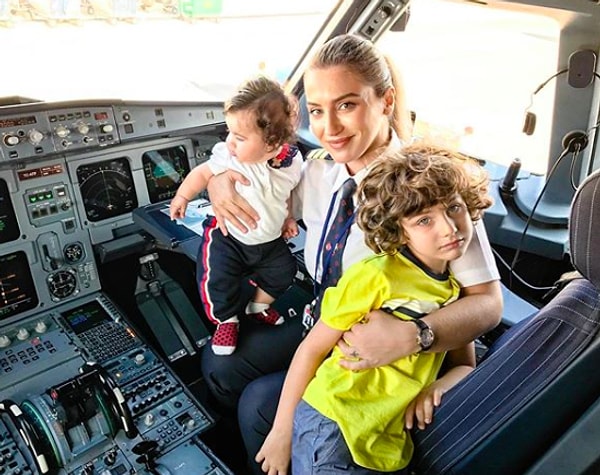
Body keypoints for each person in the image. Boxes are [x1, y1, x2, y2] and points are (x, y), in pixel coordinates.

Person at [204, 34, 503, 473]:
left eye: (347, 105)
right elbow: (267, 197)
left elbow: (488, 304)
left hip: (384, 343)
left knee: (260, 405)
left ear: (385, 101)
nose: (329, 128)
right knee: (219, 368)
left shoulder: (428, 191)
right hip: (325, 315)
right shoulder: (319, 169)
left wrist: (414, 335)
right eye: (318, 111)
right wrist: (219, 180)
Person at [257, 143, 493, 474]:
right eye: (424, 220)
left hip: (384, 435)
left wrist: (438, 387)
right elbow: (312, 349)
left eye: (454, 208)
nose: (449, 228)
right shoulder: (375, 276)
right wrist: (282, 432)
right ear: (399, 230)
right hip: (334, 423)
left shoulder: (452, 291)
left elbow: (464, 365)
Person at [169, 75, 303, 355]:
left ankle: (258, 306)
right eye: (229, 133)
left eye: (239, 137)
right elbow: (203, 173)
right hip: (230, 236)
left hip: (269, 240)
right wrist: (183, 196)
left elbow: (288, 191)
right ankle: (226, 321)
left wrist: (289, 218)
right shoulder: (229, 158)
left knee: (285, 271)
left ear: (272, 142)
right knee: (216, 277)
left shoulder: (292, 162)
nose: (230, 141)